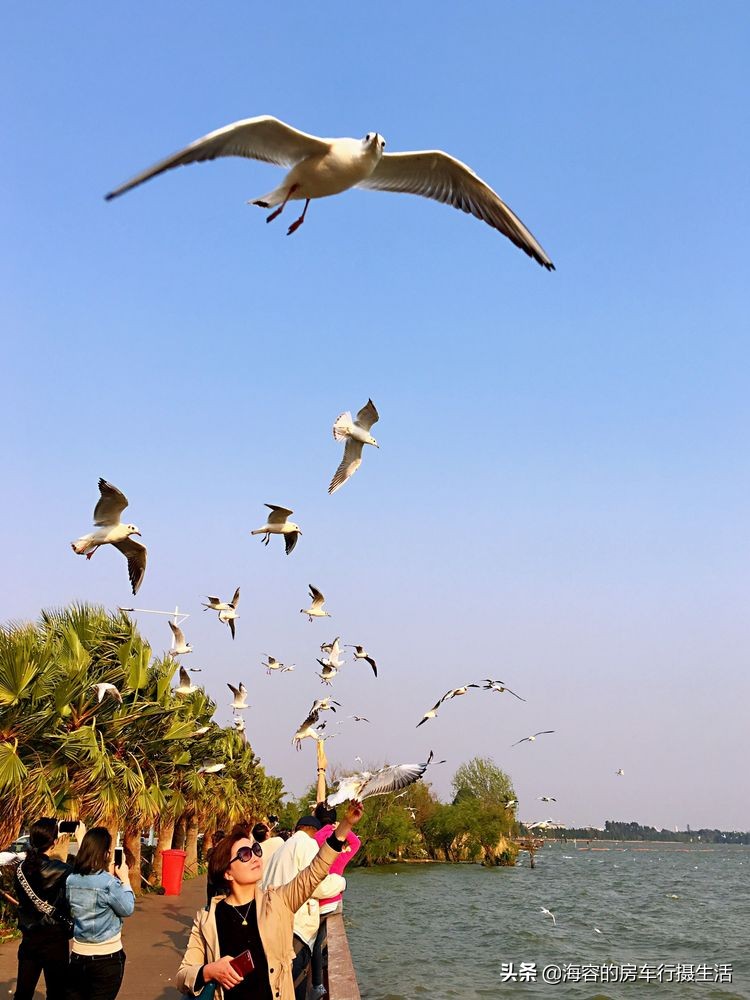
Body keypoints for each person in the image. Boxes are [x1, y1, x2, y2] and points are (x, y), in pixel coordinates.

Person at [177, 800, 364, 1000]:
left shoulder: (278, 901)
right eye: (245, 855)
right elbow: (182, 976)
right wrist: (209, 971)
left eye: (256, 850)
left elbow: (315, 871)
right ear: (228, 873)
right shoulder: (207, 919)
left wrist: (345, 825)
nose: (256, 857)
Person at [260, 815, 346, 1000]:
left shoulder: (282, 848)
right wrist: (341, 883)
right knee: (294, 987)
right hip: (295, 930)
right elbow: (316, 884)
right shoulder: (307, 844)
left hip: (273, 925)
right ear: (313, 831)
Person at [13, 818, 85, 1000]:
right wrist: (82, 838)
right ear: (54, 842)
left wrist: (50, 837)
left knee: (23, 992)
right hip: (55, 937)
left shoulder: (21, 868)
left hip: (29, 938)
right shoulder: (60, 869)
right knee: (57, 992)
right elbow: (85, 871)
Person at [65, 828, 135, 1000]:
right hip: (107, 957)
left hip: (78, 954)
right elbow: (127, 908)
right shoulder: (109, 883)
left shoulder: (71, 879)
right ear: (105, 853)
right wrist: (124, 879)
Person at [309, 804, 361, 998]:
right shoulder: (338, 845)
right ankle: (320, 982)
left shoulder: (314, 839)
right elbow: (355, 843)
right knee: (324, 942)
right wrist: (344, 827)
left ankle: (316, 985)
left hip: (316, 899)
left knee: (315, 942)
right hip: (334, 900)